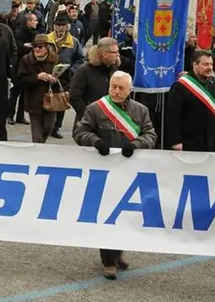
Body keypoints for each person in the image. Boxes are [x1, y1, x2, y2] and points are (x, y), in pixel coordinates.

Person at [72, 71, 156, 279]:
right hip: (103, 171)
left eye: (121, 88)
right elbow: (79, 132)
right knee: (106, 214)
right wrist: (95, 142)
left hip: (129, 171)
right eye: (113, 87)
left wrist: (136, 144)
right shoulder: (96, 109)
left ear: (130, 90)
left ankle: (117, 252)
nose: (116, 91)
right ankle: (107, 260)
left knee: (124, 215)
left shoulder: (141, 110)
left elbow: (151, 135)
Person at [165, 50, 215, 152]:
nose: (210, 68)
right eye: (205, 64)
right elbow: (173, 116)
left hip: (211, 141)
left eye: (211, 64)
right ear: (195, 65)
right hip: (188, 142)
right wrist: (175, 140)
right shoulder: (180, 86)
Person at [47, 13, 85, 139]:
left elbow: (80, 59)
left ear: (68, 26)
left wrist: (72, 70)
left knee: (61, 101)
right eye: (58, 25)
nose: (61, 28)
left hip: (65, 77)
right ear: (54, 26)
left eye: (63, 25)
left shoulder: (73, 41)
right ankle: (47, 124)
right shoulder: (47, 39)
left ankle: (57, 127)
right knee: (48, 99)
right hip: (48, 75)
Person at [17, 34, 60, 142]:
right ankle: (37, 152)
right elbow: (20, 80)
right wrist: (37, 77)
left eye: (40, 47)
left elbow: (66, 79)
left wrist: (55, 79)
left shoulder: (55, 59)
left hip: (50, 100)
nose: (36, 49)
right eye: (35, 46)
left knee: (48, 127)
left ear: (47, 48)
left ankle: (40, 146)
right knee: (36, 135)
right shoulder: (26, 60)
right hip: (33, 100)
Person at [69, 38, 120, 125]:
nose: (118, 55)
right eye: (115, 52)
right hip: (88, 123)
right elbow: (74, 97)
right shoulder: (84, 70)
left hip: (111, 122)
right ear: (105, 54)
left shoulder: (114, 69)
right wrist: (87, 115)